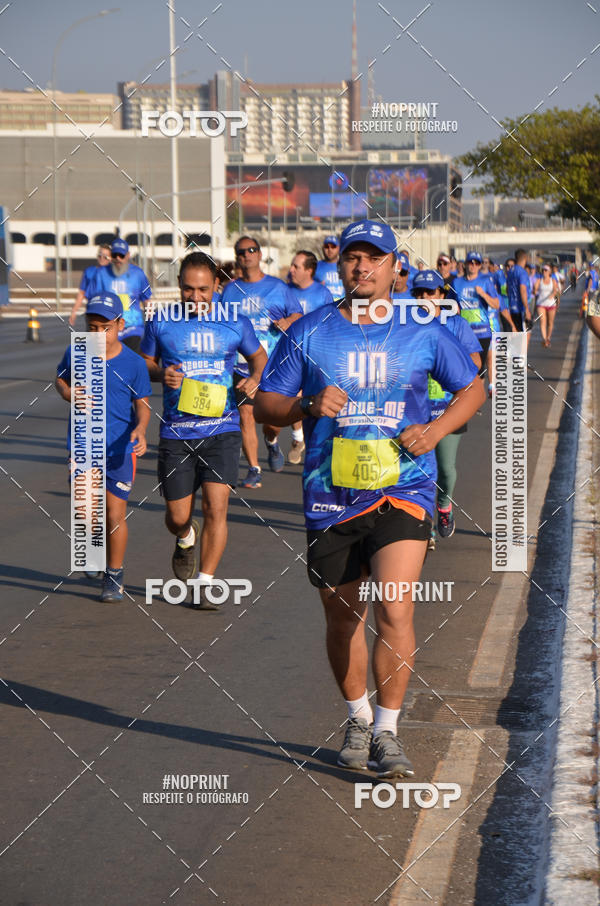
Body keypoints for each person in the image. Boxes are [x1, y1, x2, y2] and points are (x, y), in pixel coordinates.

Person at [254, 219, 485, 778]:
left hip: (404, 487)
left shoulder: (422, 328)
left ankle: (387, 730)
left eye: (374, 258)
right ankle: (357, 717)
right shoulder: (310, 331)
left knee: (396, 606)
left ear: (392, 267)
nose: (362, 267)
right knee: (342, 617)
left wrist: (432, 432)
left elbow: (474, 386)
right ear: (340, 266)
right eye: (353, 257)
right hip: (331, 496)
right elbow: (265, 405)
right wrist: (307, 405)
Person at [140, 252, 267, 610]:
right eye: (187, 290)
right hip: (177, 433)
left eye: (202, 290)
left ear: (217, 286)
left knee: (216, 507)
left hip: (222, 429)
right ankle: (185, 536)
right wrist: (159, 373)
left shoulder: (235, 323)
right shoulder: (161, 322)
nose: (195, 298)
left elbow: (259, 359)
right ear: (179, 286)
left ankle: (204, 582)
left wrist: (255, 380)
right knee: (178, 515)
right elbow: (145, 360)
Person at [55, 292, 151, 602]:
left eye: (105, 327)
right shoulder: (76, 352)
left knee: (114, 514)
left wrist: (140, 428)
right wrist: (69, 394)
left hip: (119, 449)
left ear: (120, 325)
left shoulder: (134, 363)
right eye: (91, 326)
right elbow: (60, 379)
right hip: (83, 445)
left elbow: (143, 405)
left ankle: (114, 574)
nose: (97, 334)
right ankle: (93, 553)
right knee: (85, 510)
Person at [221, 237, 302, 487]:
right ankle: (254, 469)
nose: (246, 255)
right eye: (241, 251)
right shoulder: (230, 290)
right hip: (241, 363)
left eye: (251, 250)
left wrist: (288, 323)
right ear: (237, 257)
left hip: (273, 363)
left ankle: (272, 441)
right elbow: (223, 323)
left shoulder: (278, 287)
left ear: (259, 254)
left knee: (271, 420)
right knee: (245, 415)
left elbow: (298, 313)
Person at [411, 270, 481, 549]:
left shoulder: (456, 325)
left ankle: (444, 505)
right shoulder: (403, 324)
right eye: (418, 293)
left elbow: (475, 362)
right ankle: (423, 527)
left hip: (449, 408)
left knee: (446, 470)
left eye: (430, 293)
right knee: (420, 472)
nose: (424, 298)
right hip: (414, 410)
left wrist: (450, 369)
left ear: (441, 295)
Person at [287, 251, 334, 464]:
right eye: (291, 266)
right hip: (290, 353)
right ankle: (298, 438)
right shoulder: (284, 291)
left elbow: (330, 323)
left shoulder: (322, 294)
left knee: (314, 399)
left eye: (296, 266)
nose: (291, 270)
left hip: (317, 353)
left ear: (309, 270)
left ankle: (318, 445)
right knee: (292, 397)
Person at [87, 238, 153, 353]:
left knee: (130, 360)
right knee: (105, 363)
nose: (118, 258)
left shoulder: (138, 274)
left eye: (121, 255)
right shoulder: (101, 274)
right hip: (107, 328)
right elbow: (93, 301)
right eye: (114, 255)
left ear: (127, 256)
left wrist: (150, 324)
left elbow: (147, 301)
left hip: (132, 328)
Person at [450, 251, 499, 388]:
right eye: (470, 262)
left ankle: (475, 403)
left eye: (476, 263)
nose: (473, 265)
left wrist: (483, 294)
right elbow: (449, 304)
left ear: (479, 266)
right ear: (465, 264)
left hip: (482, 332)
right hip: (464, 333)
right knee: (466, 368)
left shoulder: (485, 281)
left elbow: (496, 304)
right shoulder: (457, 282)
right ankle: (470, 399)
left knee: (478, 369)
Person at [68, 244, 112, 326]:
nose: (102, 258)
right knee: (93, 336)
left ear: (110, 258)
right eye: (100, 255)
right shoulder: (89, 271)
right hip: (92, 309)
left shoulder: (113, 273)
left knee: (108, 337)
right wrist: (74, 311)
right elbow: (81, 293)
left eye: (105, 257)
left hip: (108, 310)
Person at [506, 248, 533, 343]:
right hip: (520, 308)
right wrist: (527, 309)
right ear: (524, 258)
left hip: (512, 306)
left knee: (516, 335)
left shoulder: (510, 271)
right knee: (523, 336)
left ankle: (516, 355)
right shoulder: (522, 272)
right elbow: (523, 290)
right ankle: (520, 356)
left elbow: (507, 289)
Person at [534, 264, 560, 347]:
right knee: (542, 321)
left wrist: (552, 295)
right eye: (543, 270)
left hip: (551, 304)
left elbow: (556, 290)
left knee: (550, 322)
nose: (544, 272)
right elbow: (535, 289)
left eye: (546, 270)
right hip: (541, 304)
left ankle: (548, 338)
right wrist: (534, 290)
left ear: (549, 272)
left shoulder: (553, 281)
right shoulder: (539, 280)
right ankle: (544, 339)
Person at [315, 235, 344, 300]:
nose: (329, 249)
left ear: (339, 248)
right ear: (323, 248)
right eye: (326, 247)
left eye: (333, 247)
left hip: (342, 307)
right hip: (323, 306)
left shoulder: (345, 265)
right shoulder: (315, 266)